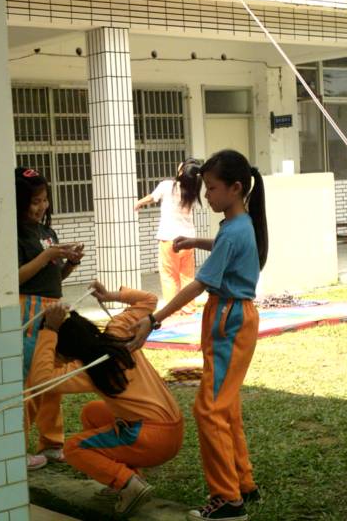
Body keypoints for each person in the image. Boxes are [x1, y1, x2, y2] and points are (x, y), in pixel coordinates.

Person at [129, 149, 268, 521]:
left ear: (235, 188)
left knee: (209, 409)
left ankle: (228, 500)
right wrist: (194, 243)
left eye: (212, 187)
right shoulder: (238, 224)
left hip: (229, 319)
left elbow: (198, 285)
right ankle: (243, 482)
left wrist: (154, 320)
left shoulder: (235, 229)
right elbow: (225, 248)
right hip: (230, 317)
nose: (206, 195)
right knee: (225, 405)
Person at [31, 281, 183, 517]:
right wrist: (111, 295)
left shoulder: (86, 369)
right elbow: (149, 300)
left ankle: (129, 484)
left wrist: (49, 330)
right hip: (172, 430)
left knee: (74, 448)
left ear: (67, 350)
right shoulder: (119, 331)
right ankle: (129, 478)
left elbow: (41, 381)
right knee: (92, 412)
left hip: (152, 440)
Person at [16, 167, 85, 470]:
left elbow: (52, 277)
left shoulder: (47, 233)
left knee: (52, 377)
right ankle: (16, 448)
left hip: (53, 310)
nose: (42, 206)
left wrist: (69, 264)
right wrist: (46, 256)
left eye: (44, 200)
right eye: (35, 201)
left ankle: (52, 442)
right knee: (29, 380)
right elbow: (14, 278)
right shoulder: (14, 234)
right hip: (29, 309)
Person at [134, 158, 202, 315]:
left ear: (181, 170)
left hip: (169, 238)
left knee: (169, 277)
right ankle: (189, 309)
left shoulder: (167, 186)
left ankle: (173, 312)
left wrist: (138, 203)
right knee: (187, 276)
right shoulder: (193, 191)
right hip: (188, 239)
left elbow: (152, 197)